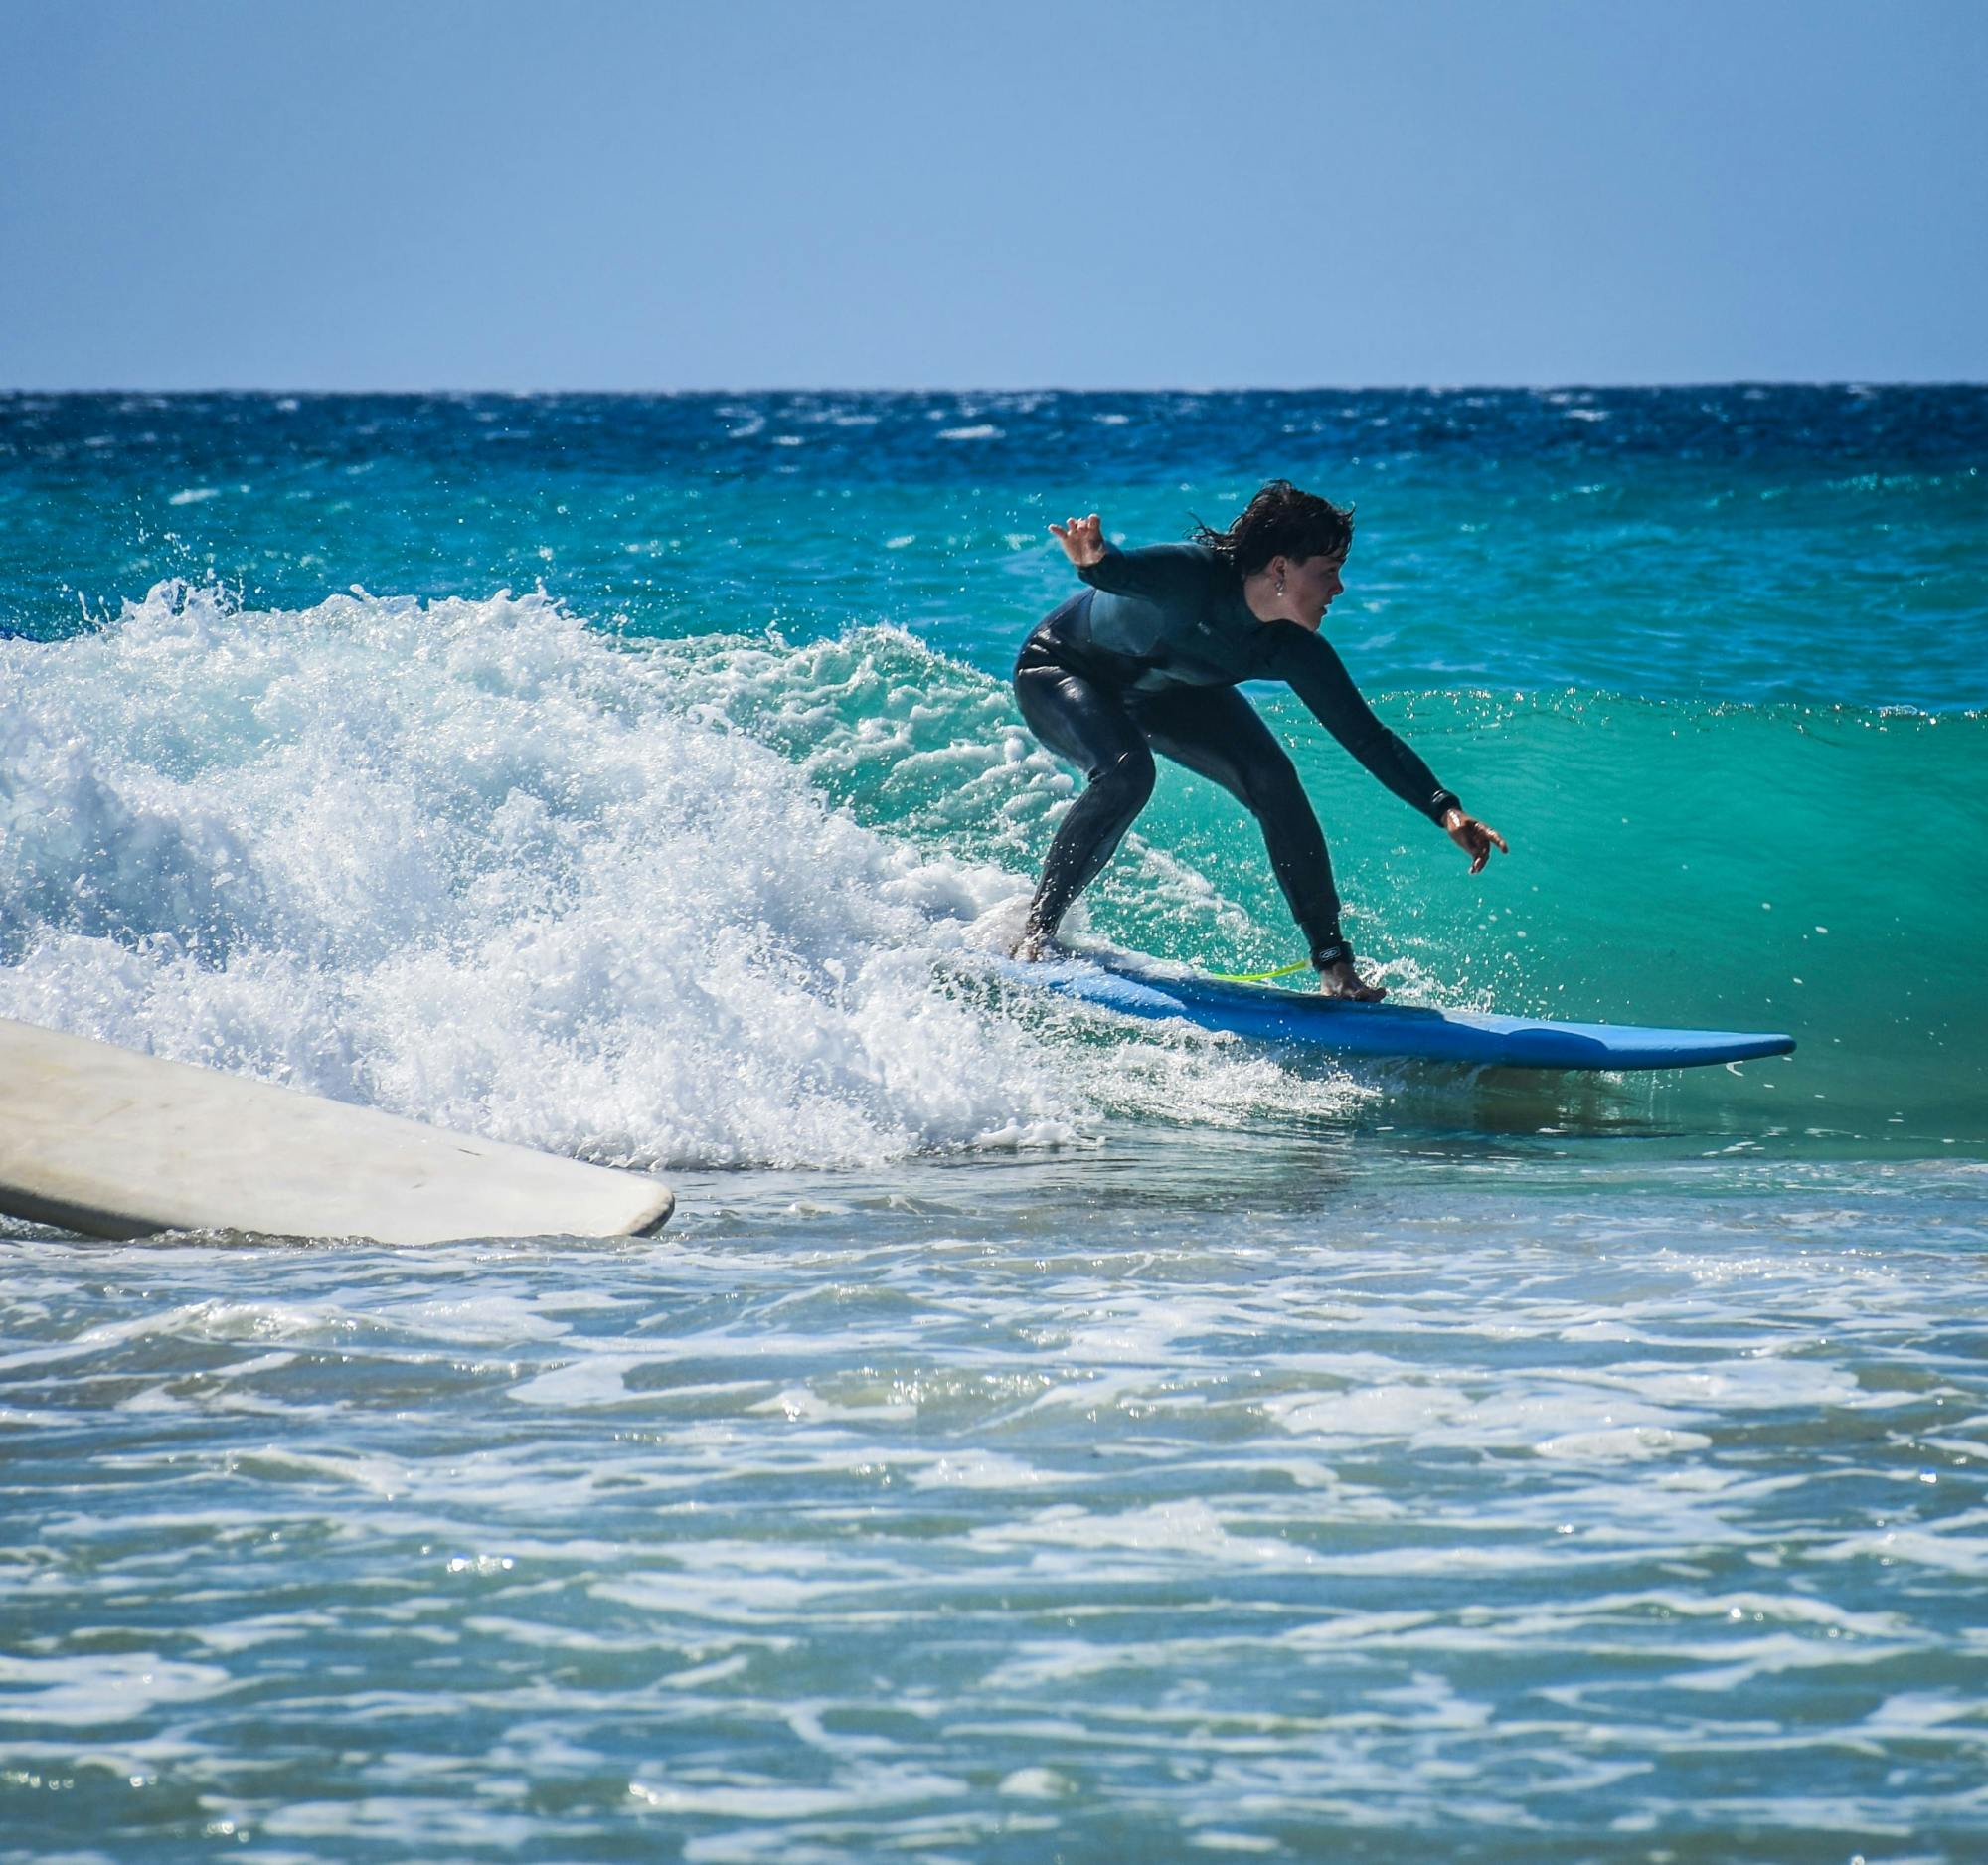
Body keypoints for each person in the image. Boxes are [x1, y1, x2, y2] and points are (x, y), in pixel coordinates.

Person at [1012, 481, 1506, 1001]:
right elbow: (1121, 571)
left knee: (1274, 781)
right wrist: (1093, 560)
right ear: (1280, 568)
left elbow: (1368, 737)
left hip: (1163, 691)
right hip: (1061, 669)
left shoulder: (1291, 648)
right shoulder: (1193, 575)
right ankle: (1037, 934)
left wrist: (1445, 809)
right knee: (1128, 773)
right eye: (1329, 571)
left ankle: (1334, 965)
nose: (1339, 588)